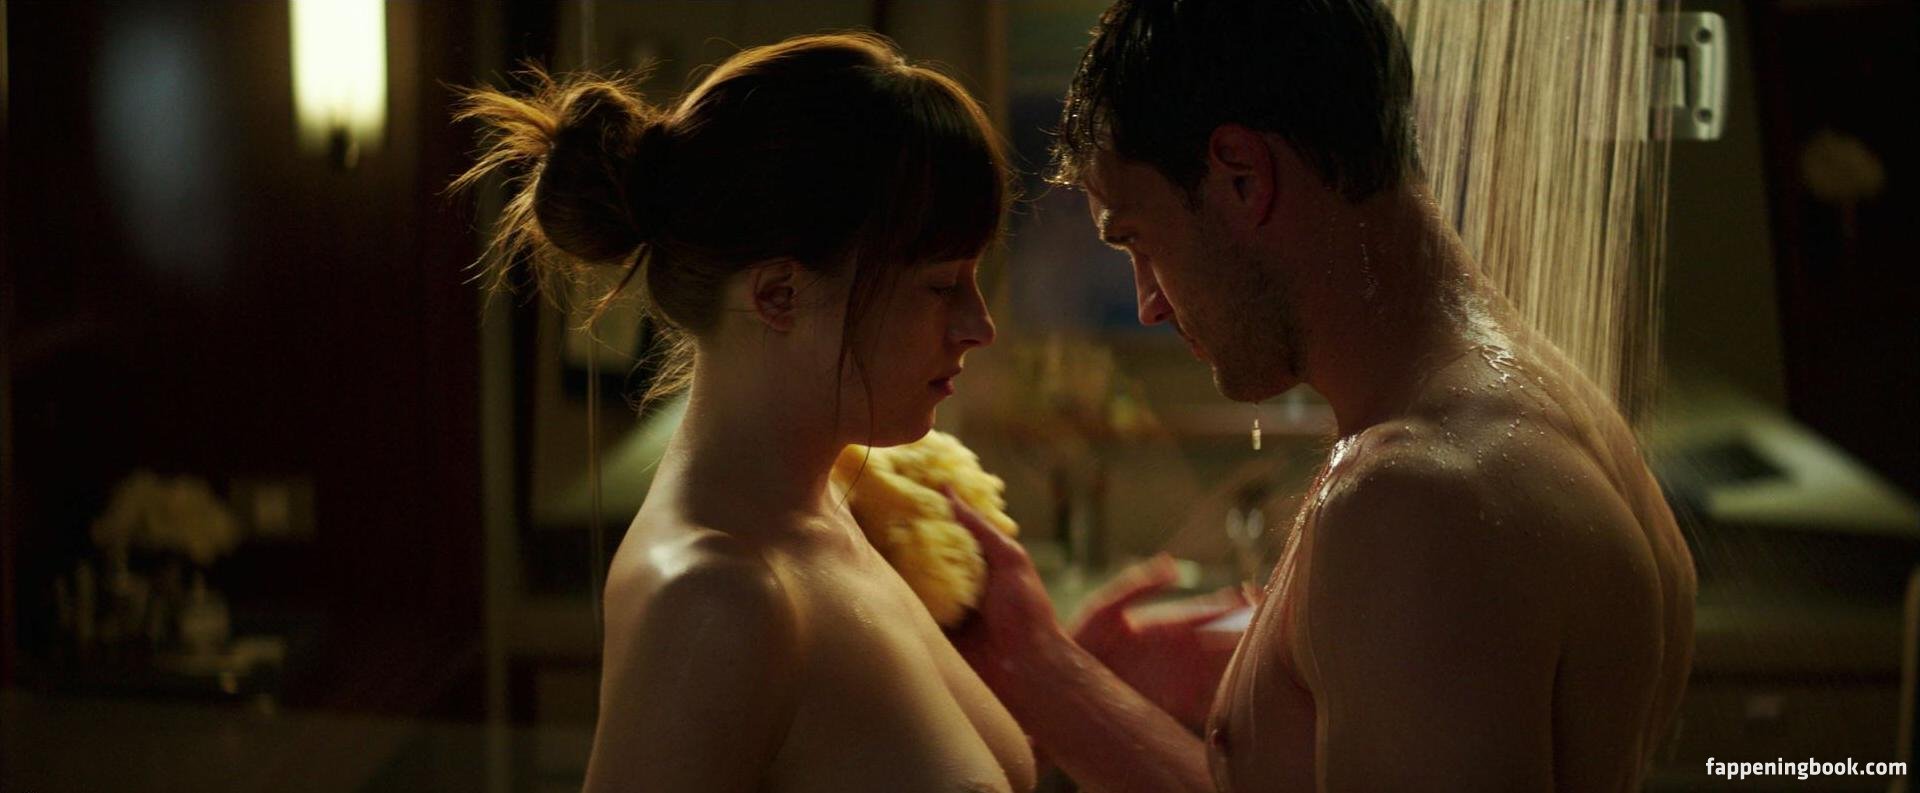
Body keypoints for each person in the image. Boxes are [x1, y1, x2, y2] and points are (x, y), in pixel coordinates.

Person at [942, 1, 1698, 791]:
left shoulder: (1417, 501)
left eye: (1139, 240)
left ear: (1242, 175)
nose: (1149, 304)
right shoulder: (1563, 418)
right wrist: (1050, 678)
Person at [454, 33, 1034, 792]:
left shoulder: (823, 510)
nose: (978, 326)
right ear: (779, 296)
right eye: (940, 285)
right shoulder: (714, 598)